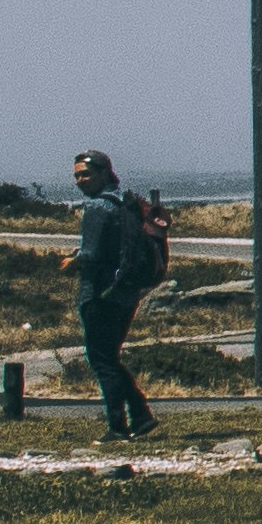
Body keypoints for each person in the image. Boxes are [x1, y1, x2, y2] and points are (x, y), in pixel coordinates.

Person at [67, 149, 166, 437]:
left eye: (85, 174)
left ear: (102, 173)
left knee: (102, 360)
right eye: (76, 176)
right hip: (125, 292)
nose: (79, 181)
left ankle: (117, 424)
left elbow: (92, 255)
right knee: (109, 357)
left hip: (100, 294)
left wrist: (71, 262)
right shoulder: (123, 203)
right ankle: (140, 414)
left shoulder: (98, 207)